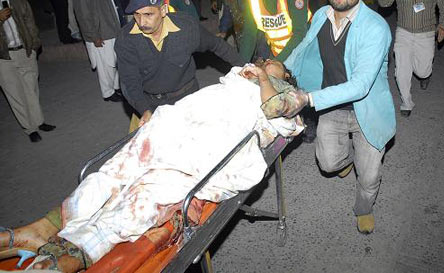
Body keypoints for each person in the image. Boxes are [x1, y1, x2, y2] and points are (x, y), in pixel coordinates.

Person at [0, 59, 303, 272]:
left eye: (274, 64)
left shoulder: (285, 95)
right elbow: (201, 100)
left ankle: (68, 256)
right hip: (177, 123)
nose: (266, 63)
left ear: (284, 78)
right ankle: (44, 227)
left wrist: (264, 79)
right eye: (264, 62)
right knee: (112, 174)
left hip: (211, 141)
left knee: (150, 193)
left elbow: (281, 116)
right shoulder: (236, 79)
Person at [284, 0, 396, 234]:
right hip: (332, 105)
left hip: (366, 110)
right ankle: (345, 161)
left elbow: (360, 86)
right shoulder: (322, 15)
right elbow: (303, 49)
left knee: (369, 175)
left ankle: (364, 208)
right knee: (329, 162)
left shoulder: (375, 27)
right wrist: (280, 70)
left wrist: (308, 99)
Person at [115, 0, 247, 124]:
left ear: (164, 10)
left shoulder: (186, 27)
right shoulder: (126, 39)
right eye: (137, 15)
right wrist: (144, 109)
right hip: (152, 104)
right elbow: (129, 82)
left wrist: (245, 67)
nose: (141, 22)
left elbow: (217, 45)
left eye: (148, 14)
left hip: (188, 98)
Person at [378, 0, 444, 117]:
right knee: (401, 70)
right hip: (403, 32)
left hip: (425, 33)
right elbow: (384, 2)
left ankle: (425, 76)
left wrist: (443, 26)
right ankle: (406, 102)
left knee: (422, 70)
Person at [0, 0, 56, 143]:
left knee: (31, 88)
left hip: (24, 50)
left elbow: (29, 20)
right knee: (15, 94)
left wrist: (34, 44)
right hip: (3, 57)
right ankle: (29, 128)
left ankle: (39, 121)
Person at [73, 0, 125, 102]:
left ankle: (116, 87)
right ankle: (108, 93)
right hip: (100, 32)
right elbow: (82, 14)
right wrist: (93, 36)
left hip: (112, 28)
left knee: (115, 62)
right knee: (105, 66)